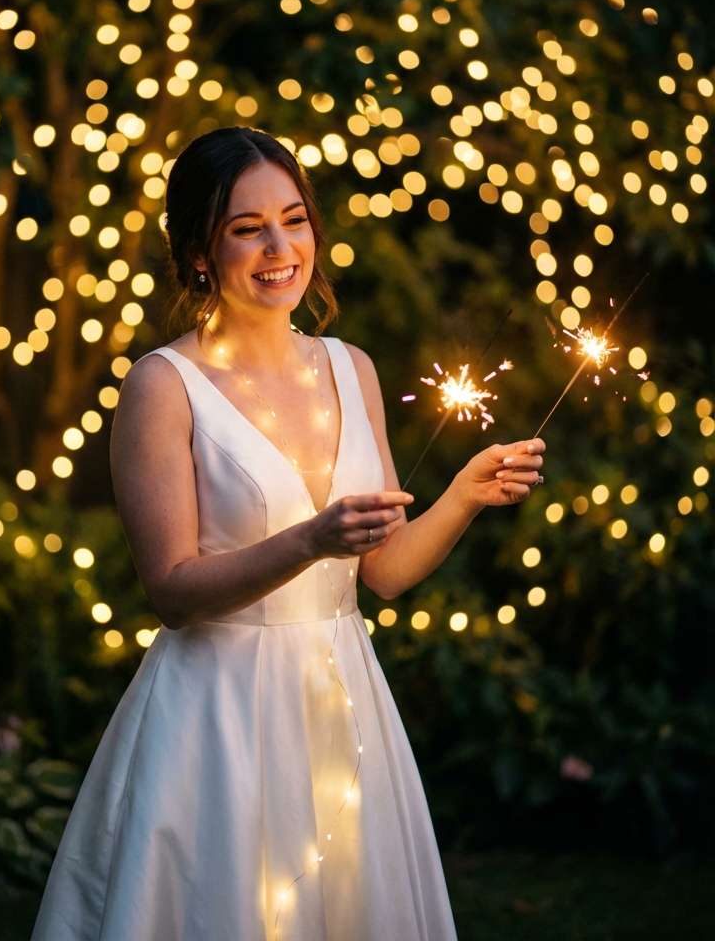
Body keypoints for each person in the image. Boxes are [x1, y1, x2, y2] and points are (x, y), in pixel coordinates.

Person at [31, 126, 546, 940]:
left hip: (343, 701)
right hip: (218, 717)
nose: (280, 248)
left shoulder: (351, 368)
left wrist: (463, 496)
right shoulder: (164, 386)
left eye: (294, 219)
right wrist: (308, 540)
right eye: (248, 228)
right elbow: (172, 591)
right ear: (200, 253)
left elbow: (383, 572)